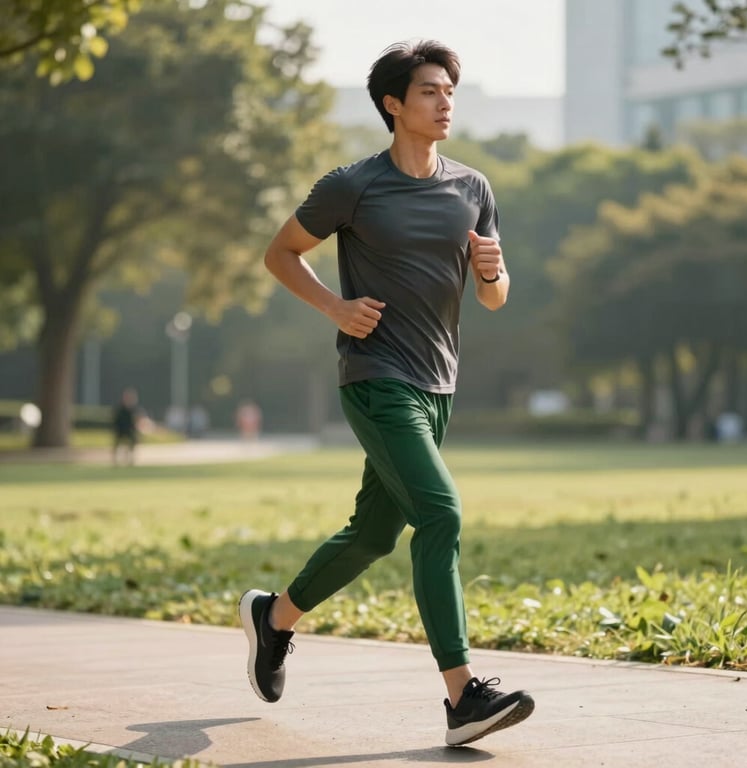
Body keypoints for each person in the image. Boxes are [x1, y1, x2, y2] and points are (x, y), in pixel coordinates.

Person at [239, 39, 534, 746]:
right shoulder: (354, 185)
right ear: (393, 104)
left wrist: (492, 271)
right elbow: (281, 253)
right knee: (441, 515)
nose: (445, 102)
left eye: (450, 91)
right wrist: (335, 309)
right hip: (376, 378)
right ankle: (463, 697)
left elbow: (494, 298)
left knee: (374, 533)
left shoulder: (473, 188)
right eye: (430, 91)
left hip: (439, 383)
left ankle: (273, 618)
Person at [112, 388, 139, 466]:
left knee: (132, 443)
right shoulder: (120, 409)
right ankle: (115, 461)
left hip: (129, 430)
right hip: (120, 429)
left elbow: (135, 421)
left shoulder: (133, 409)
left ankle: (130, 460)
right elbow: (116, 420)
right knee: (117, 444)